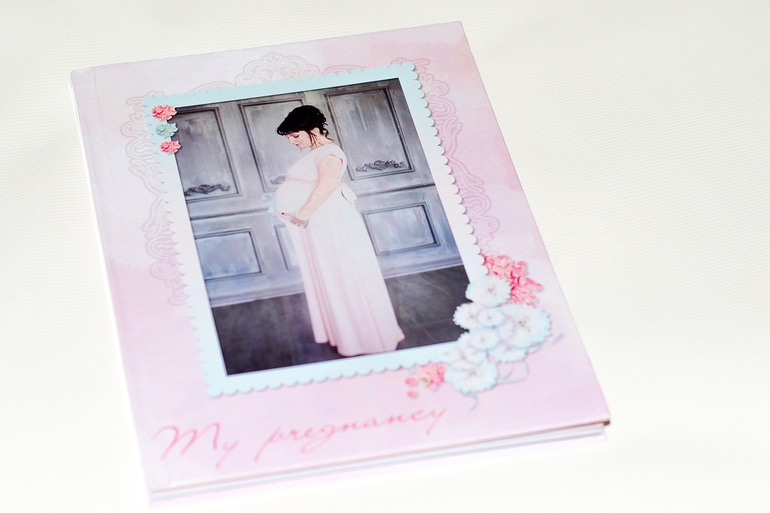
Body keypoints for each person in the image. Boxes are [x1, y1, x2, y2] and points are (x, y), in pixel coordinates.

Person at [274, 105, 405, 356]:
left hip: (329, 220)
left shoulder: (330, 153)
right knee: (332, 272)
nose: (292, 141)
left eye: (295, 135)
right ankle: (345, 333)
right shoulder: (317, 152)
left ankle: (366, 338)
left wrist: (302, 214)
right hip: (320, 220)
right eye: (289, 137)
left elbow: (327, 185)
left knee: (343, 271)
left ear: (313, 129)